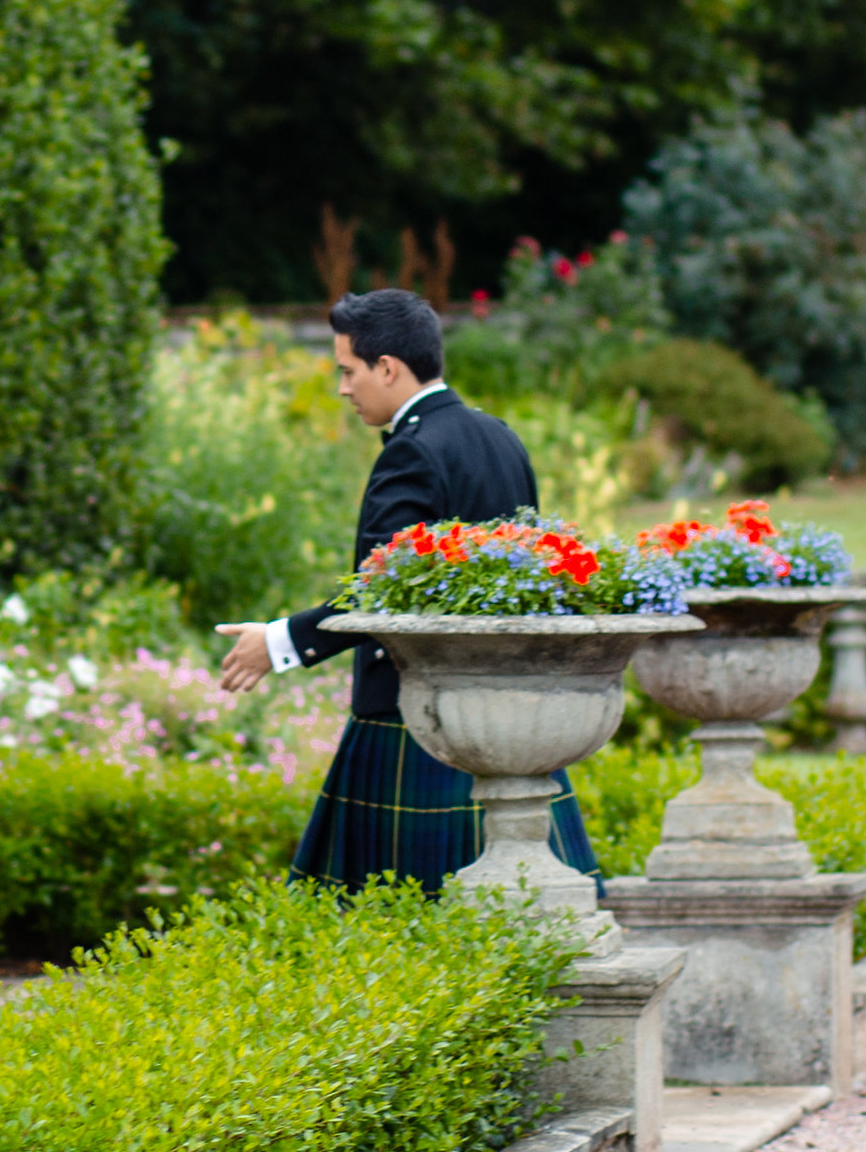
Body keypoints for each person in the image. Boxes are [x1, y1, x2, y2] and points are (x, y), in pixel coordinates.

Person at [216, 286, 597, 888]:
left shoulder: (412, 451)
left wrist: (281, 642)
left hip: (413, 719)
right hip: (508, 724)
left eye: (348, 371)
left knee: (379, 923)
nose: (344, 388)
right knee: (520, 919)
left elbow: (382, 595)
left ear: (387, 367)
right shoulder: (501, 437)